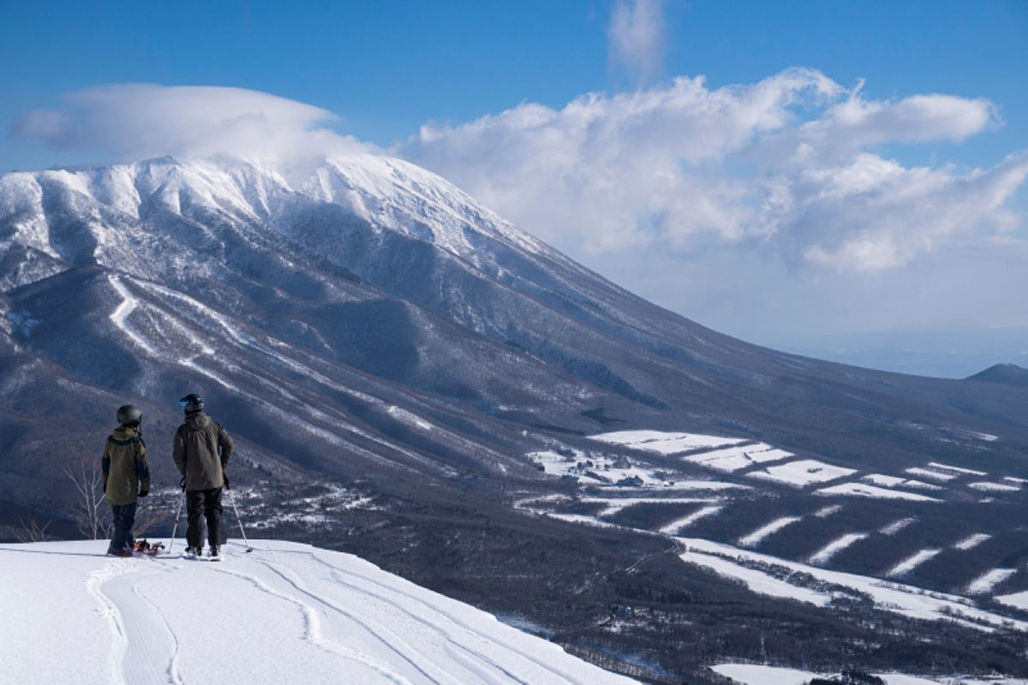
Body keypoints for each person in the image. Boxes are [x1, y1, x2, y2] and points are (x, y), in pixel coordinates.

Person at [173, 393, 234, 560]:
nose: (183, 408)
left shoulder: (183, 431)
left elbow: (177, 455)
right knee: (214, 510)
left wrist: (186, 472)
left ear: (190, 408)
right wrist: (220, 467)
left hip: (194, 480)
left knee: (196, 512)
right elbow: (229, 446)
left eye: (185, 405)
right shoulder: (214, 426)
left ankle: (196, 547)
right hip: (215, 478)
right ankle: (216, 547)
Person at [103, 404, 150, 557]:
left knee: (118, 519)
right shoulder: (136, 442)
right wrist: (145, 485)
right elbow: (142, 466)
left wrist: (105, 483)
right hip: (128, 487)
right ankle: (115, 547)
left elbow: (105, 463)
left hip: (111, 486)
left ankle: (128, 542)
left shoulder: (111, 439)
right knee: (127, 520)